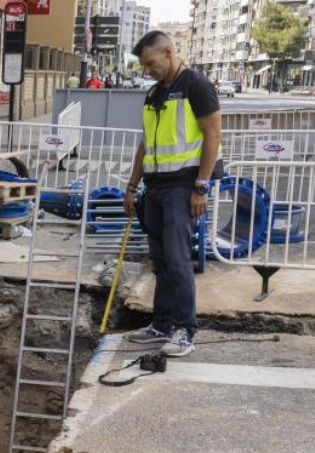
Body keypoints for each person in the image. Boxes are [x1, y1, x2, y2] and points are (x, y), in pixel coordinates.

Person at [123, 30, 222, 358]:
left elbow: (213, 135)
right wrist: (132, 186)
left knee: (179, 261)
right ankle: (162, 324)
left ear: (168, 51)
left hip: (182, 187)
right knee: (162, 262)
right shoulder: (154, 94)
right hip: (154, 188)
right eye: (144, 66)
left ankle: (185, 329)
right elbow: (146, 143)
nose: (148, 70)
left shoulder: (196, 85)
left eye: (151, 63)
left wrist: (201, 187)